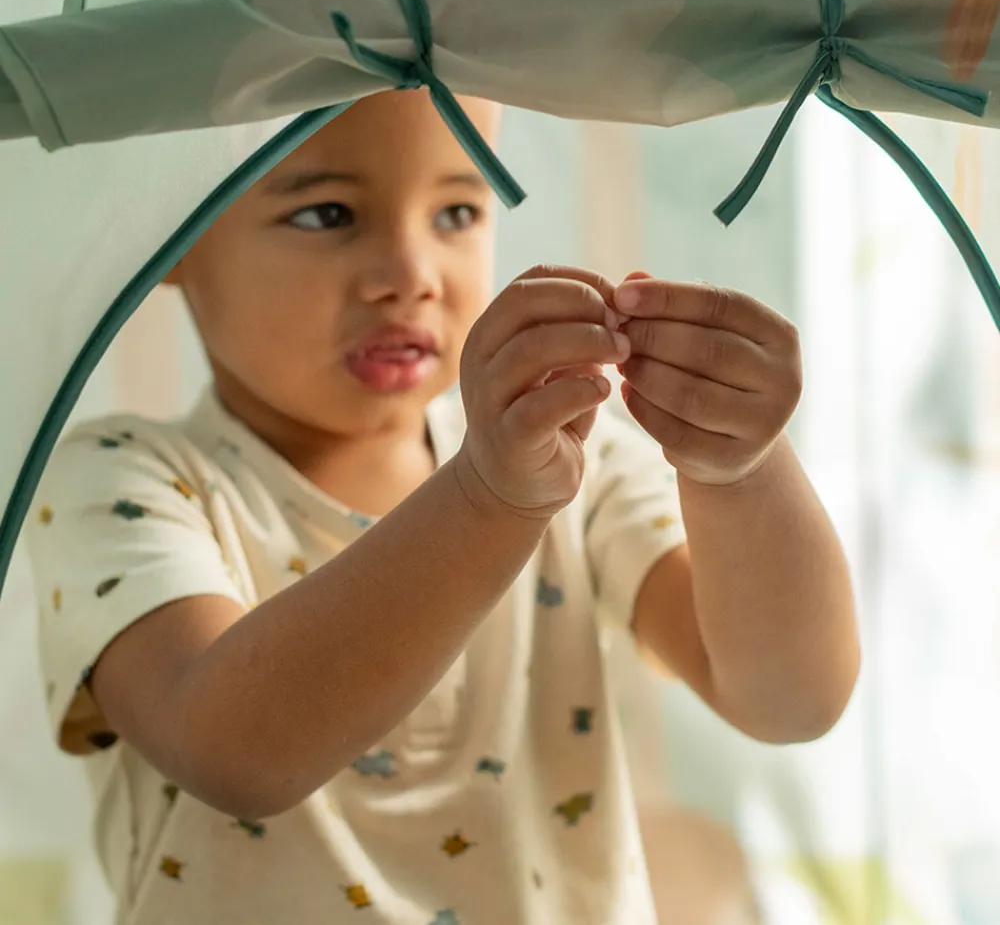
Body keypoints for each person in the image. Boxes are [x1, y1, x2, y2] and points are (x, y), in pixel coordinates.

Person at [26, 90, 860, 925]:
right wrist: (487, 499)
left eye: (457, 211)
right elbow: (234, 753)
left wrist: (741, 471)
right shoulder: (121, 481)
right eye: (327, 214)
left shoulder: (579, 459)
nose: (411, 276)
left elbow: (790, 702)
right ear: (173, 232)